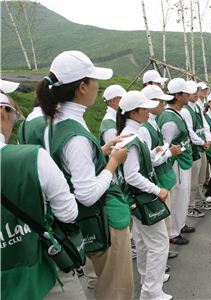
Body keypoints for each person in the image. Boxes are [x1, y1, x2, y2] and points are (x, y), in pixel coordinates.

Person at [37, 50, 133, 299]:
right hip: (103, 218)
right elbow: (88, 193)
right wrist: (113, 162)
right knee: (116, 289)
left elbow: (67, 165)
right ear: (82, 87)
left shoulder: (53, 122)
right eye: (94, 81)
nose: (98, 87)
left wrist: (100, 151)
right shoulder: (76, 134)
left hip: (80, 220)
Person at [0, 80, 79, 299]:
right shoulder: (33, 157)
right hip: (40, 273)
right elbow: (68, 213)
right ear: (3, 112)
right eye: (14, 113)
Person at [117, 90, 172, 300]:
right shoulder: (132, 137)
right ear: (133, 113)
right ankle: (151, 291)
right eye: (145, 108)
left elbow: (136, 161)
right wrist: (158, 190)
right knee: (159, 244)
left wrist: (152, 153)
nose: (149, 110)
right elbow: (132, 175)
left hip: (135, 200)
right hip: (141, 198)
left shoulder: (131, 133)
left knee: (142, 241)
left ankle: (147, 281)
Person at [141, 85, 182, 260]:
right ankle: (158, 261)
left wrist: (164, 150)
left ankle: (161, 257)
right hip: (157, 181)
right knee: (158, 226)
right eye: (160, 101)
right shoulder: (145, 128)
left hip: (162, 178)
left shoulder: (152, 123)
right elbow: (149, 160)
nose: (164, 105)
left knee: (163, 223)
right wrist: (168, 153)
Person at [157, 78, 196, 245]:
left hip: (183, 161)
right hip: (177, 163)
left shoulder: (177, 113)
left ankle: (179, 225)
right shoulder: (170, 120)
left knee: (183, 195)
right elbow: (165, 146)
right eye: (186, 92)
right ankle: (173, 232)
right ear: (178, 95)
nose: (189, 95)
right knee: (178, 195)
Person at [181, 80, 211, 218]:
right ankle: (190, 206)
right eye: (193, 92)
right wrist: (202, 142)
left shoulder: (196, 107)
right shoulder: (185, 110)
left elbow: (204, 125)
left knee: (201, 177)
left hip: (201, 146)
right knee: (193, 179)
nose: (196, 94)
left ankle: (199, 201)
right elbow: (189, 131)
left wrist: (208, 139)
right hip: (194, 148)